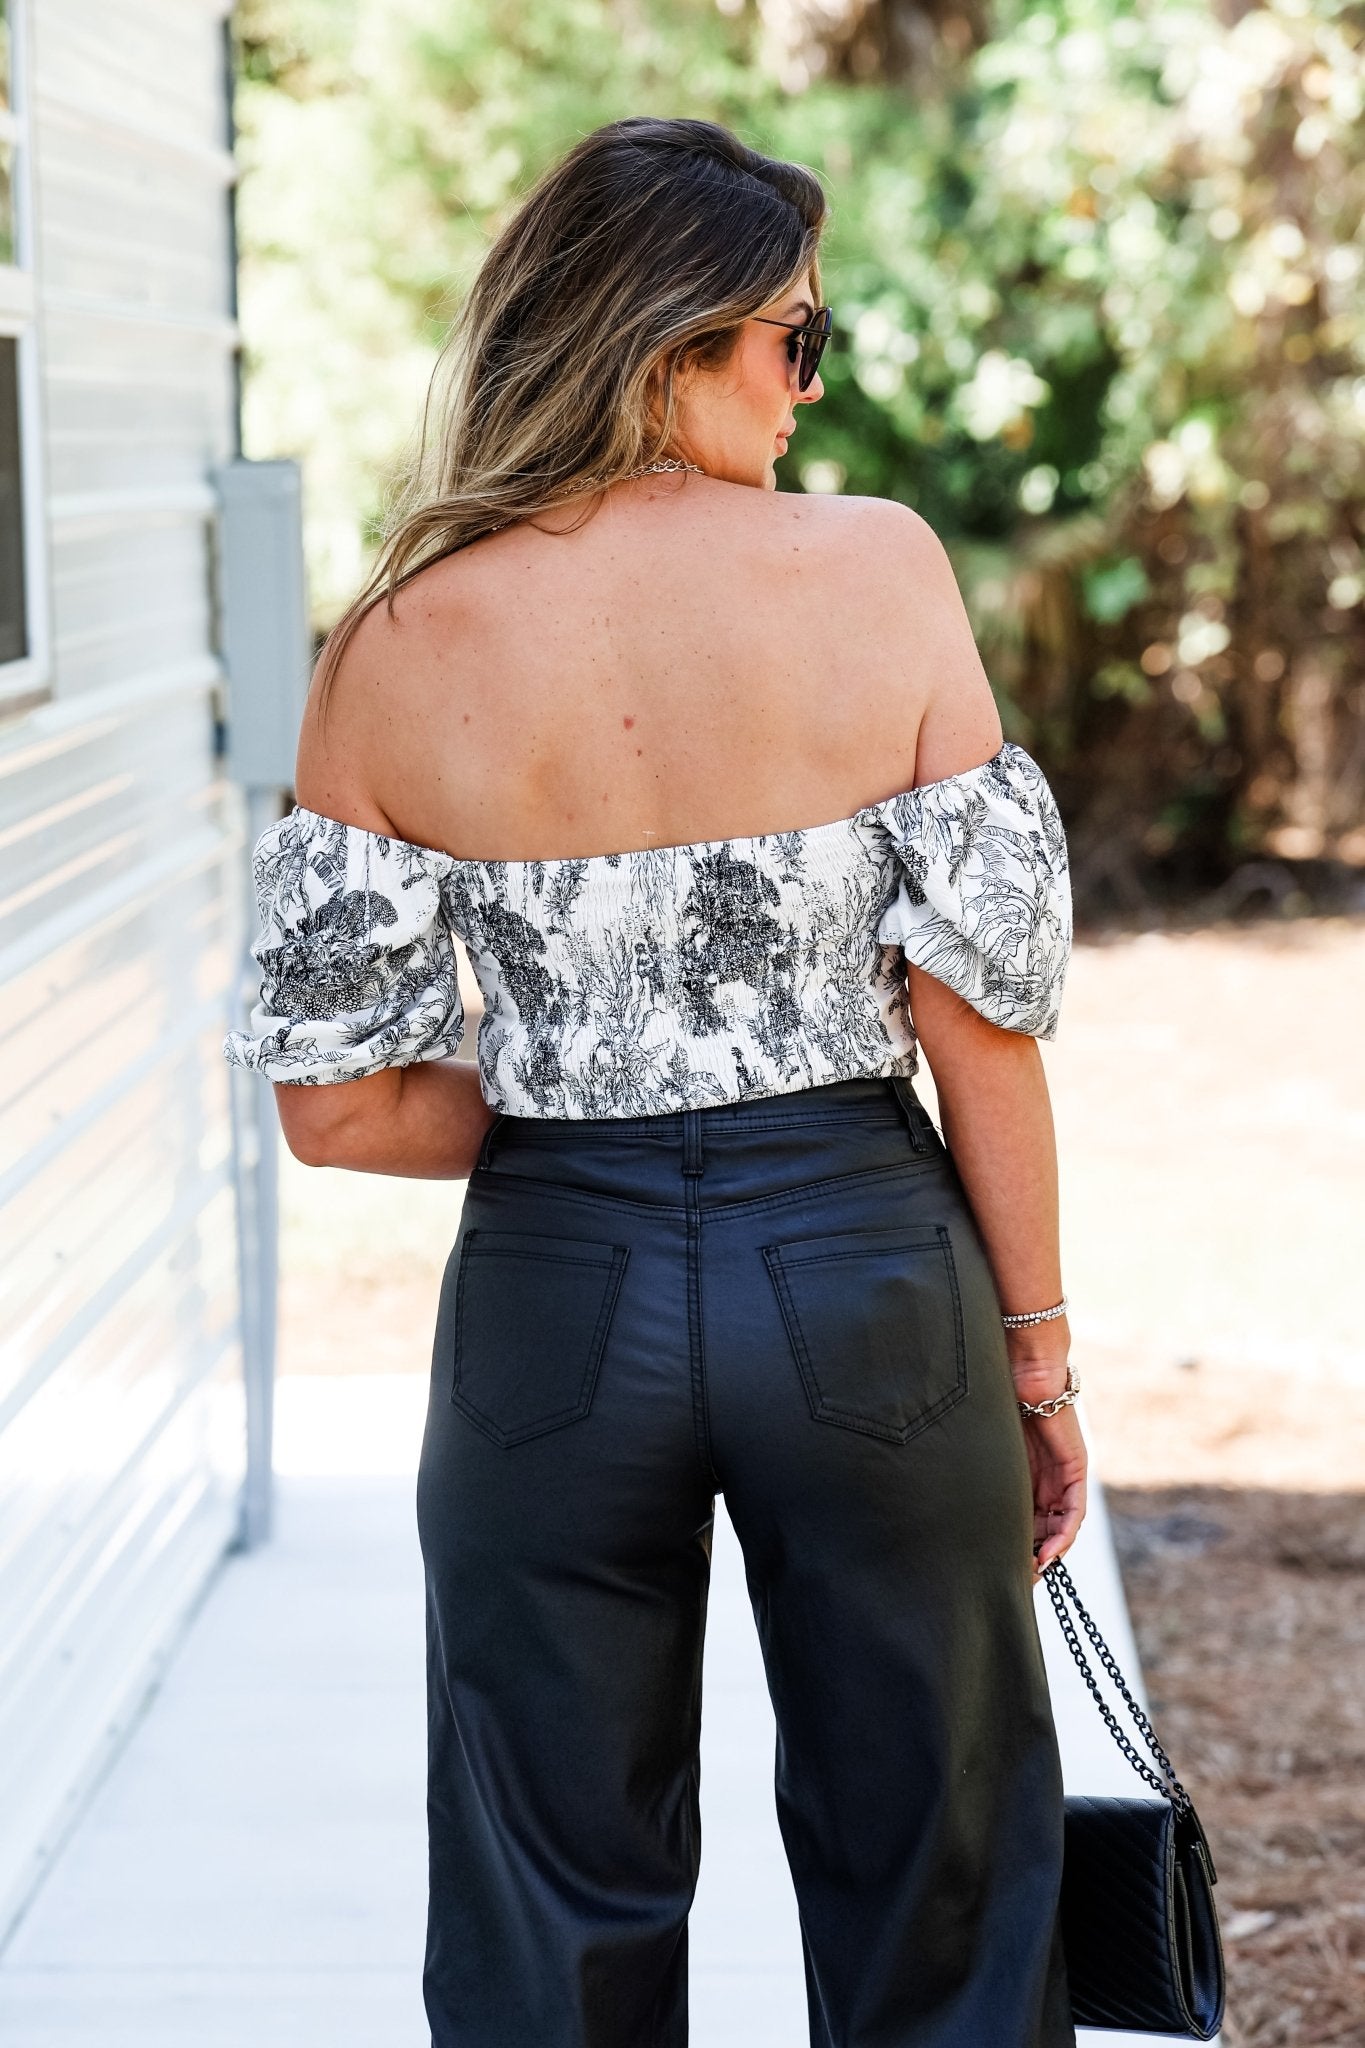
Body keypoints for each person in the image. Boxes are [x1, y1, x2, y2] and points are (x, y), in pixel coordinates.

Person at [224, 115, 1086, 2048]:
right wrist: (1034, 1364)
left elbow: (338, 1107)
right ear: (666, 342)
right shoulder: (879, 574)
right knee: (937, 1876)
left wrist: (575, 1095)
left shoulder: (394, 641)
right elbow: (978, 1023)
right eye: (794, 338)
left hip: (554, 1295)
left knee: (548, 1895)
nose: (806, 385)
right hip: (863, 1275)